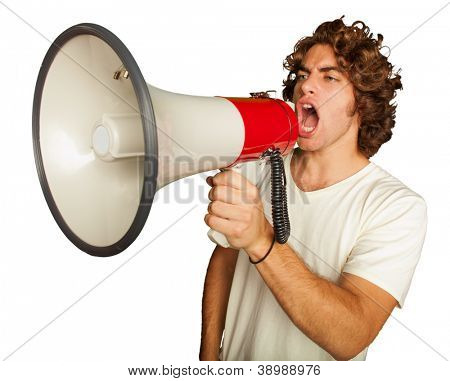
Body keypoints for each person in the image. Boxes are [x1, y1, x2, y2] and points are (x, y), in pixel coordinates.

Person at [200, 17, 427, 361]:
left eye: (330, 77)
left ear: (361, 105)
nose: (306, 86)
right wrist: (207, 359)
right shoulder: (260, 162)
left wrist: (262, 239)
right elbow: (225, 260)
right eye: (304, 74)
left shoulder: (395, 206)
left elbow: (351, 335)